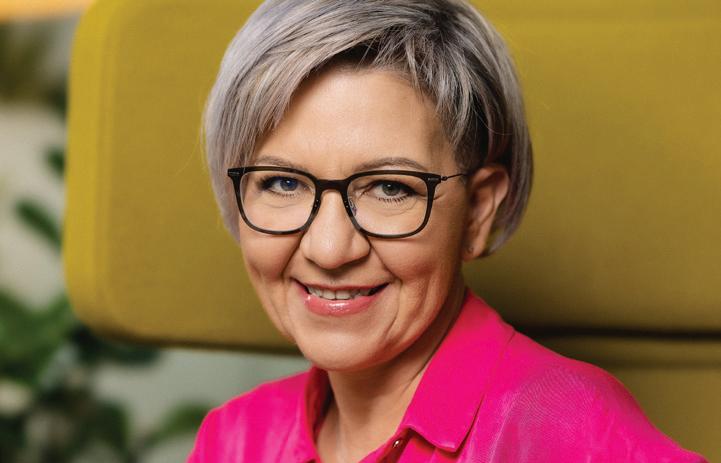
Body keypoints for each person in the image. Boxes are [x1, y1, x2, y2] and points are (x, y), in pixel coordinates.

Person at [188, 1, 708, 461]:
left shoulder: (571, 432)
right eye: (282, 182)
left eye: (390, 188)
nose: (329, 249)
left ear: (478, 212)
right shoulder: (234, 439)